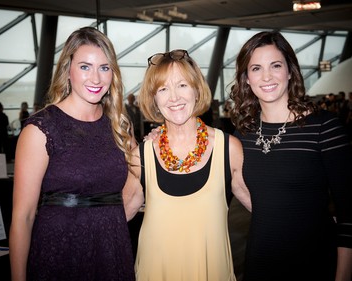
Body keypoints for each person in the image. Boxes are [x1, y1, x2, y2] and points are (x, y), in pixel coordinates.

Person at [9, 26, 141, 281]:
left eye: (104, 68)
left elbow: (143, 171)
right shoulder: (41, 129)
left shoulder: (119, 125)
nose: (96, 78)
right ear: (67, 70)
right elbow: (22, 217)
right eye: (85, 67)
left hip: (112, 252)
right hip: (59, 255)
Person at [229, 31, 352, 281]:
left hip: (315, 264)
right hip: (259, 263)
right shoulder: (243, 134)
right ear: (246, 79)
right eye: (256, 68)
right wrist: (160, 138)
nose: (267, 76)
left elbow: (349, 211)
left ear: (289, 71)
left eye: (275, 65)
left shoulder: (324, 128)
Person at [127, 49, 251, 281]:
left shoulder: (229, 148)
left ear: (196, 89)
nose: (174, 98)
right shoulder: (141, 156)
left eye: (182, 85)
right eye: (163, 89)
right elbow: (117, 215)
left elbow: (263, 208)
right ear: (154, 99)